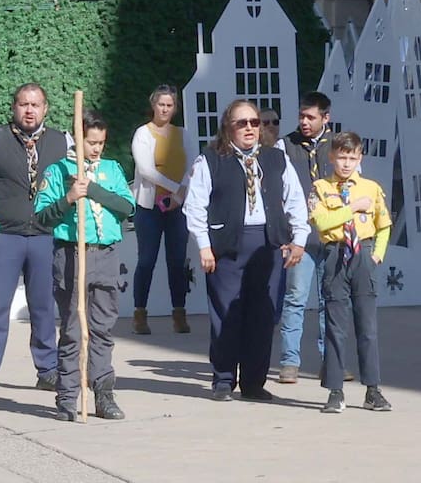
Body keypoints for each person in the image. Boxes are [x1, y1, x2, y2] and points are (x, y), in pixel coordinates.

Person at [183, 99, 309, 402]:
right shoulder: (210, 159)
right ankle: (224, 379)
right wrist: (204, 246)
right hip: (226, 246)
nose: (251, 128)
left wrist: (300, 238)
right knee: (226, 314)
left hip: (268, 245)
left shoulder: (276, 159)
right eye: (242, 123)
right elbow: (195, 206)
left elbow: (295, 199)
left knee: (262, 315)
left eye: (255, 122)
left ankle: (254, 382)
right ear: (229, 127)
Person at [35, 110, 135, 420]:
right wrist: (69, 197)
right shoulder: (58, 171)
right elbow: (41, 217)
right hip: (71, 254)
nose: (96, 149)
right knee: (73, 329)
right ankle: (67, 398)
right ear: (78, 140)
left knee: (102, 328)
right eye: (91, 142)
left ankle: (103, 395)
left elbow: (127, 207)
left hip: (104, 254)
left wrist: (93, 190)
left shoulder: (111, 169)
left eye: (101, 143)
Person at [0, 83, 68, 396]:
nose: (29, 110)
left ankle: (48, 369)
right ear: (14, 107)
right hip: (4, 236)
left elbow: (76, 183)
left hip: (45, 237)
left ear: (45, 108)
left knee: (42, 307)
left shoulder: (63, 141)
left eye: (35, 105)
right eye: (23, 104)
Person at [309, 131, 392, 413]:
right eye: (341, 157)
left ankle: (373, 389)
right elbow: (322, 221)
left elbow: (384, 224)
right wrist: (352, 208)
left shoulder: (370, 187)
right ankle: (335, 389)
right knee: (335, 325)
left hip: (363, 254)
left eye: (352, 158)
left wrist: (377, 254)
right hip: (335, 254)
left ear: (360, 158)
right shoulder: (321, 187)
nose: (346, 163)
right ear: (331, 157)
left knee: (367, 327)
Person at [276, 92, 336, 384]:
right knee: (295, 297)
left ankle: (330, 362)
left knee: (330, 300)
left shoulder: (339, 146)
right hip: (299, 236)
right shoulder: (285, 145)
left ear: (326, 117)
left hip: (331, 235)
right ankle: (289, 362)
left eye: (311, 117)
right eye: (301, 116)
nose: (304, 122)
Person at [130, 84, 191, 335]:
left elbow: (194, 164)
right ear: (153, 105)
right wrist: (174, 187)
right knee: (146, 261)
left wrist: (182, 192)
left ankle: (179, 313)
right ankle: (140, 314)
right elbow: (145, 169)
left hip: (178, 207)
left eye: (169, 105)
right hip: (149, 206)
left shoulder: (184, 134)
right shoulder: (143, 133)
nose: (165, 109)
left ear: (175, 108)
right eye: (161, 104)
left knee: (177, 262)